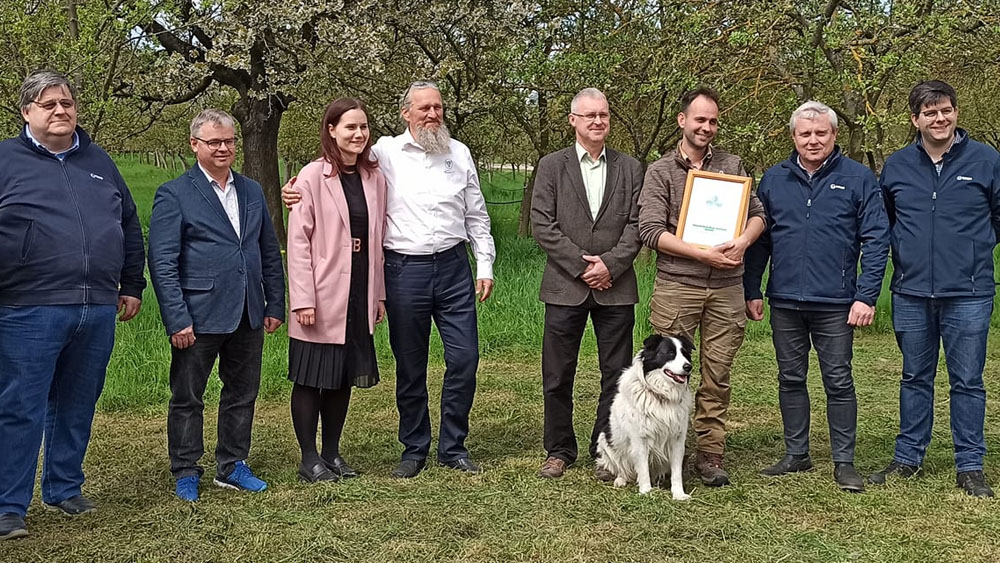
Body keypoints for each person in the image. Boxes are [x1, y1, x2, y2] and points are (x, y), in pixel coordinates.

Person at [283, 81, 495, 478]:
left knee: (465, 358)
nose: (433, 114)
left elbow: (476, 214)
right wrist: (293, 190)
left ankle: (454, 447)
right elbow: (333, 165)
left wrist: (485, 264)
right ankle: (414, 448)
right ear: (406, 113)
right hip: (404, 270)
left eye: (438, 107)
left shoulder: (460, 153)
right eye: (424, 108)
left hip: (453, 268)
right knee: (410, 364)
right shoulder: (383, 153)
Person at [0, 70, 146, 540]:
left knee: (78, 403)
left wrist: (131, 284)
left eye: (66, 103)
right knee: (20, 406)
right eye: (48, 105)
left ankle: (64, 487)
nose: (61, 111)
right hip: (27, 306)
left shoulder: (99, 160)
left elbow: (128, 223)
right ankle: (8, 505)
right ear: (27, 113)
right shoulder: (5, 160)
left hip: (97, 306)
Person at [744, 100, 889, 493]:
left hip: (837, 302)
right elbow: (760, 242)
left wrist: (866, 295)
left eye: (820, 133)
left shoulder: (859, 178)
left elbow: (876, 240)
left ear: (834, 135)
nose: (813, 140)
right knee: (790, 377)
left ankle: (844, 462)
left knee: (838, 380)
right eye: (805, 133)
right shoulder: (773, 179)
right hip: (785, 300)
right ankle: (797, 453)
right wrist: (751, 288)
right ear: (793, 137)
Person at [870, 80, 1000, 498]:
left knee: (967, 380)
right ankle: (908, 457)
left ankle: (970, 464)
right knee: (914, 377)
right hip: (910, 292)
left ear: (955, 113)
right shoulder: (897, 165)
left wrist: (975, 249)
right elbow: (885, 222)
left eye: (945, 110)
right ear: (915, 119)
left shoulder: (986, 160)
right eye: (929, 112)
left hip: (969, 292)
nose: (939, 118)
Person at [148, 109, 285, 502]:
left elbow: (267, 253)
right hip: (198, 314)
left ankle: (232, 464)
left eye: (229, 141)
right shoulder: (175, 193)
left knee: (242, 392)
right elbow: (162, 261)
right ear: (195, 145)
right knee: (188, 396)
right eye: (214, 142)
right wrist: (177, 318)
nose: (223, 148)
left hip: (247, 310)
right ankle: (186, 469)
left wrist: (274, 301)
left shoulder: (252, 190)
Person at [637, 87, 766, 486]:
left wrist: (742, 242)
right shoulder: (660, 172)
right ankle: (657, 454)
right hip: (678, 286)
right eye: (700, 120)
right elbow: (650, 231)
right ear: (682, 121)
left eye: (712, 121)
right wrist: (700, 253)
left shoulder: (732, 165)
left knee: (717, 374)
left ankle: (709, 453)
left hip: (727, 287)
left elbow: (758, 215)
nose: (707, 127)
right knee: (665, 372)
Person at [530, 88, 643, 480]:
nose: (598, 121)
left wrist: (610, 264)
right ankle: (559, 449)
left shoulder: (630, 167)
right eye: (590, 115)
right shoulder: (551, 165)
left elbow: (637, 225)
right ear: (573, 120)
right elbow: (542, 224)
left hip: (617, 287)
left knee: (616, 374)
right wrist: (583, 267)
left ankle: (605, 449)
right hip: (565, 286)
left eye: (604, 115)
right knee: (557, 373)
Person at [286, 98, 387, 482]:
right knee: (312, 376)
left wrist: (378, 294)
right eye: (350, 127)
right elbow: (298, 242)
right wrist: (303, 299)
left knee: (343, 375)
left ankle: (332, 453)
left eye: (363, 127)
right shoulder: (311, 177)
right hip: (323, 288)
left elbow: (378, 237)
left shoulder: (373, 177)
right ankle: (309, 458)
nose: (359, 134)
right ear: (331, 130)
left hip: (360, 286)